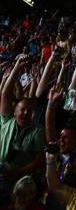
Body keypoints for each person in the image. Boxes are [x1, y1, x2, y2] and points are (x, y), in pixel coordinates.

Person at [0, 57, 45, 196]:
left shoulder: (36, 131)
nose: (26, 113)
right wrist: (17, 68)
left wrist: (18, 173)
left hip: (18, 180)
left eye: (29, 111)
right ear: (14, 112)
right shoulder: (6, 120)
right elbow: (6, 94)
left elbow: (39, 160)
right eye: (22, 109)